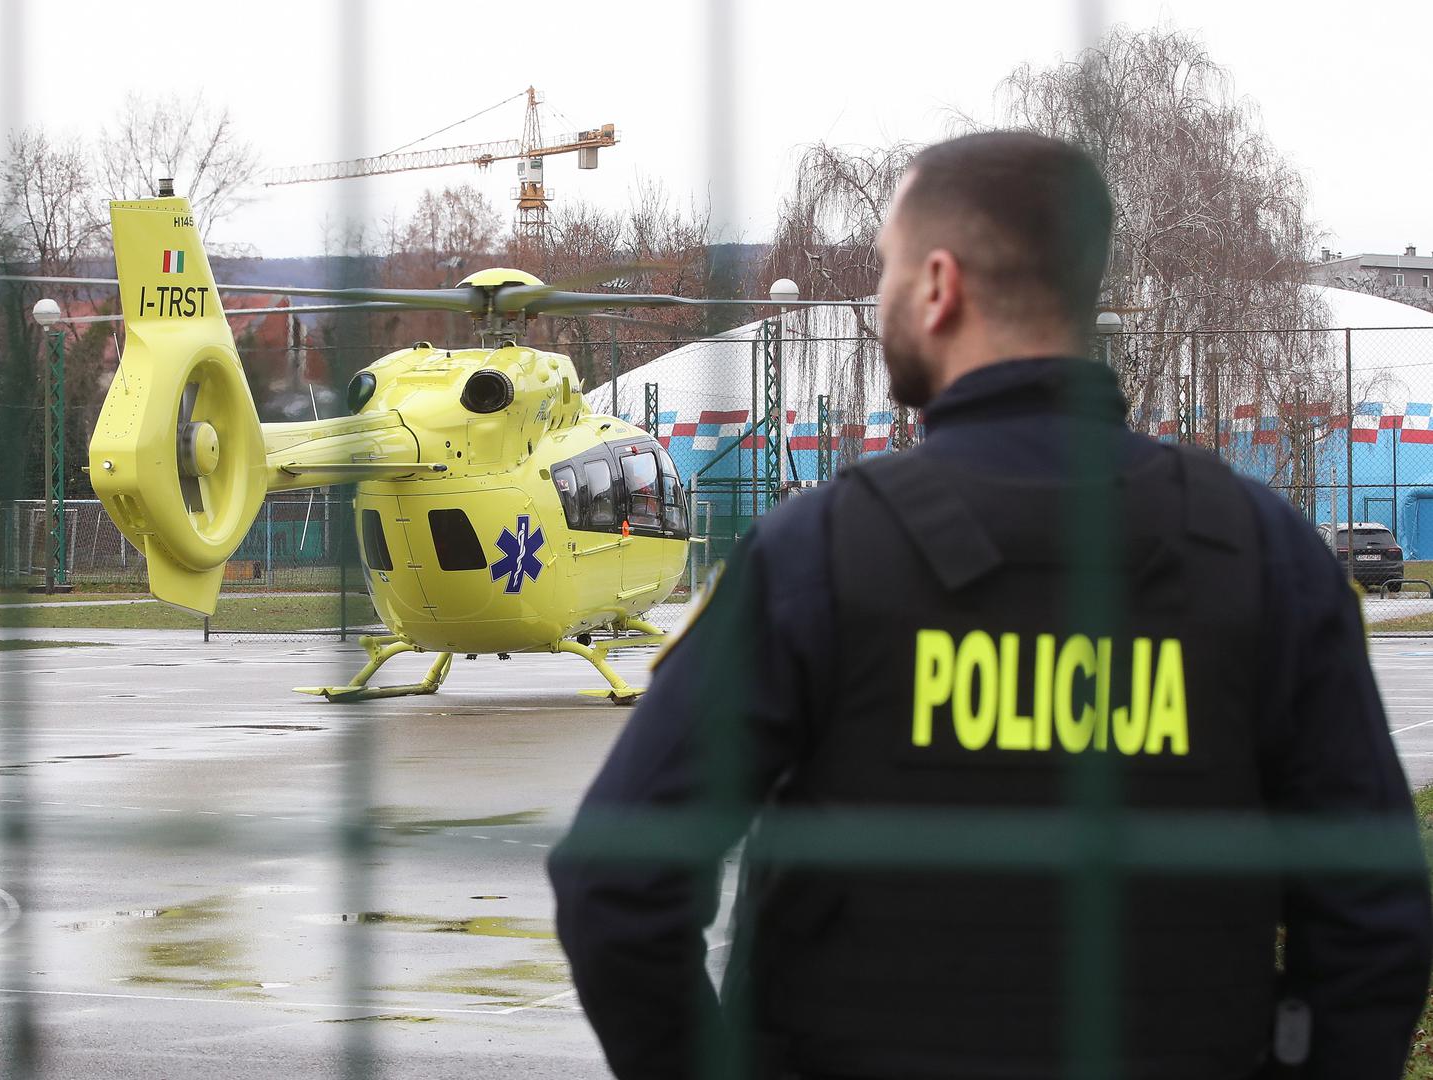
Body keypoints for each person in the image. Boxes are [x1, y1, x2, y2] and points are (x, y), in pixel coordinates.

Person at [549, 131, 1432, 1080]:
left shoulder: (819, 554)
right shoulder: (1266, 554)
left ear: (938, 284)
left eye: (884, 271)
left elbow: (617, 881)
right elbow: (1373, 915)